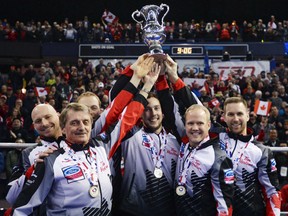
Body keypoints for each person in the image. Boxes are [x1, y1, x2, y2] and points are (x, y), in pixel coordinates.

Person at [12, 103, 112, 215]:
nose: (44, 123)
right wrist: (31, 172)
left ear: (57, 116)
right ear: (64, 128)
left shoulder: (99, 148)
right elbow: (14, 200)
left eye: (48, 117)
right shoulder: (38, 156)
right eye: (38, 121)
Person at [220, 97, 280, 215]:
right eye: (231, 114)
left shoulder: (262, 151)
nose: (235, 119)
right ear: (224, 117)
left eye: (239, 114)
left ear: (247, 116)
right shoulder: (215, 139)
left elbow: (272, 191)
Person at [174, 104, 234, 215]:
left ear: (208, 125)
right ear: (185, 125)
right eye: (190, 123)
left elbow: (224, 206)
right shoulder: (185, 146)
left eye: (200, 123)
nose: (195, 128)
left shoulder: (218, 157)